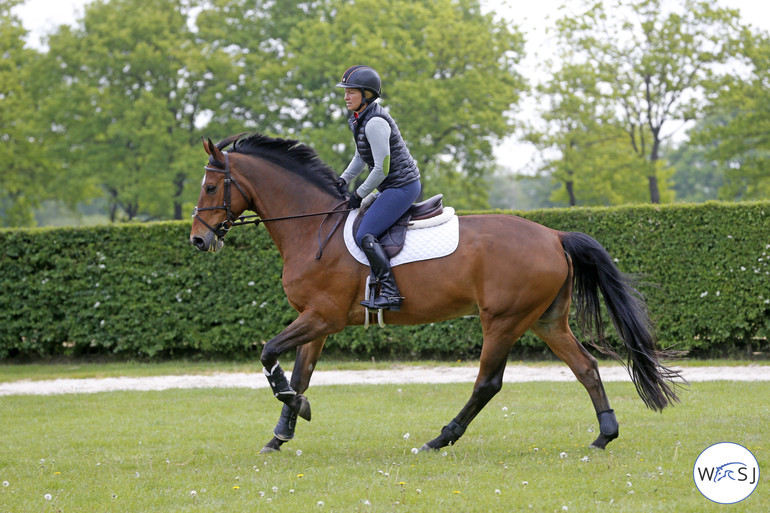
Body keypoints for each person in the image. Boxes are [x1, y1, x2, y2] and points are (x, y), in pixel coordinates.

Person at [335, 65, 421, 311]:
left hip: (402, 186)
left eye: (351, 92)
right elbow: (361, 157)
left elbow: (381, 170)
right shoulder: (359, 119)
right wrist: (342, 179)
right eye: (345, 92)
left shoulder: (374, 123)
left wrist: (358, 195)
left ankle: (391, 293)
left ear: (367, 94)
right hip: (391, 185)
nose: (346, 97)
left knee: (365, 234)